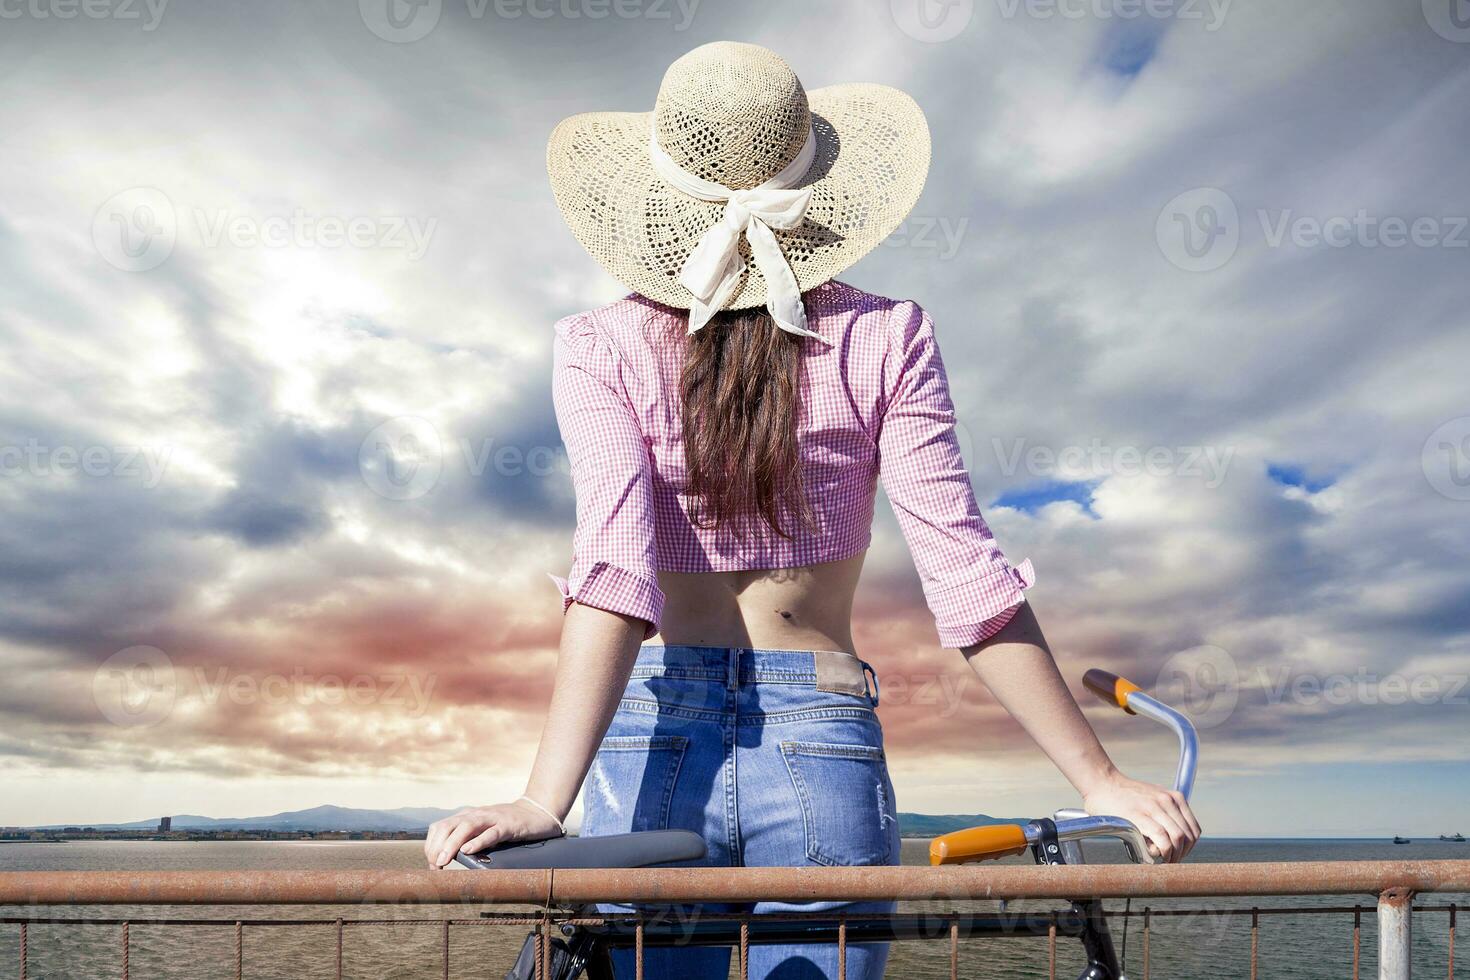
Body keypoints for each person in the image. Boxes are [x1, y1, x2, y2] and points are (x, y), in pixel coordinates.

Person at [425, 40, 1201, 979]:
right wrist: (1100, 779)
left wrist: (546, 800)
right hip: (821, 726)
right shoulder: (888, 335)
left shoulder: (598, 344)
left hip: (651, 725)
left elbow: (616, 575)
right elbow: (965, 580)